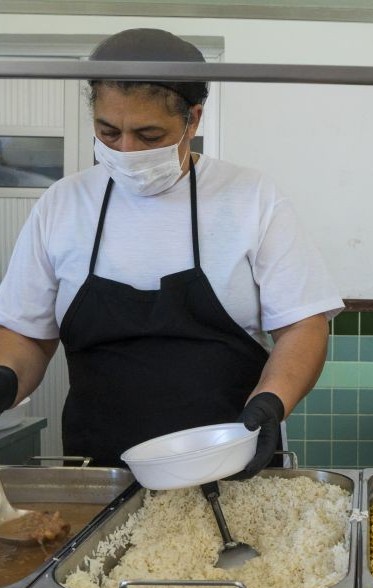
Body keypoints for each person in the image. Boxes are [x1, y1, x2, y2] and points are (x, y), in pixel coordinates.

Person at [0, 28, 343, 473]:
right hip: (100, 470)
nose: (126, 150)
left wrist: (271, 404)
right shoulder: (63, 204)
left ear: (193, 119)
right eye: (108, 132)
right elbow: (27, 335)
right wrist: (6, 379)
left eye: (148, 135)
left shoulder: (250, 196)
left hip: (232, 462)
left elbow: (303, 327)